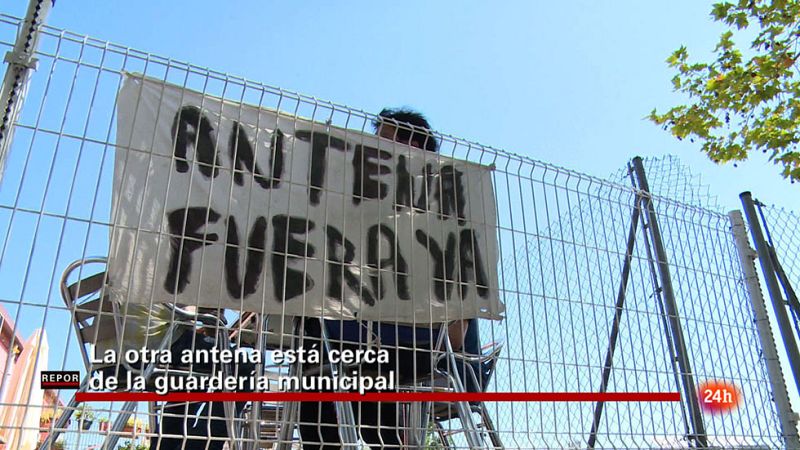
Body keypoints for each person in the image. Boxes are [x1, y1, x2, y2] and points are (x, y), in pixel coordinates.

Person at [298, 107, 480, 449]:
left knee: (327, 348)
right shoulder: (367, 221)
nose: (372, 150)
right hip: (376, 347)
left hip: (420, 348)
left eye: (382, 142)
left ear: (413, 150)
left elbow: (456, 334)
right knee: (332, 352)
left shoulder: (447, 220)